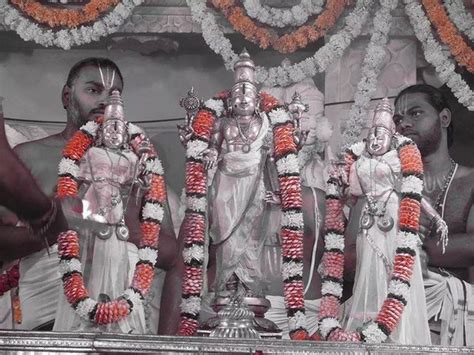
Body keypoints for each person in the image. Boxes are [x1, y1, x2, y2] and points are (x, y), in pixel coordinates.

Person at [0, 57, 179, 333]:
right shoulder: (30, 156)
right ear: (67, 96)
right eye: (94, 90)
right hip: (46, 326)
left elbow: (172, 256)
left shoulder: (140, 163)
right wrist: (57, 228)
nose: (105, 100)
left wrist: (124, 228)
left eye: (115, 93)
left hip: (122, 319)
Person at [339, 98, 447, 344]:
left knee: (395, 272)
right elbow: (351, 197)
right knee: (368, 266)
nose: (376, 140)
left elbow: (413, 193)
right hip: (368, 220)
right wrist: (339, 186)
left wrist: (436, 217)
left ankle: (396, 332)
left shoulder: (397, 160)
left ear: (391, 138)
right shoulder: (359, 162)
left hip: (394, 217)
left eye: (382, 135)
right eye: (373, 135)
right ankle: (372, 326)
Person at [393, 84, 474, 345]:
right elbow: (349, 254)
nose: (403, 123)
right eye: (398, 119)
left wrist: (402, 245)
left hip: (450, 318)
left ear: (444, 118)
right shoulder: (382, 183)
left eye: (415, 113)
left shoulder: (471, 181)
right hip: (389, 316)